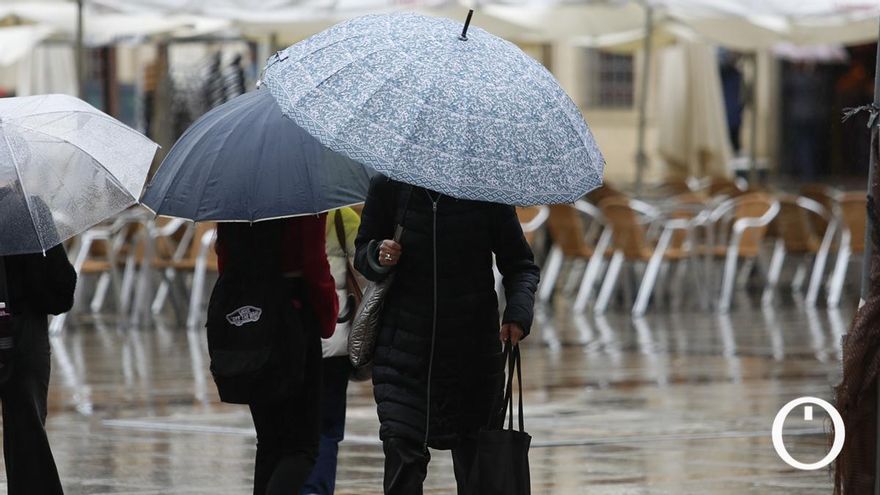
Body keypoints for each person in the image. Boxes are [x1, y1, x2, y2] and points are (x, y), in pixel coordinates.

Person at [354, 175, 540, 494]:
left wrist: (518, 314)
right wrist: (378, 254)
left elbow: (521, 265)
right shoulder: (390, 184)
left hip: (473, 362)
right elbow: (363, 252)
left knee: (476, 474)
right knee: (402, 459)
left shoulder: (486, 189)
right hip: (402, 358)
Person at [214, 216, 338, 495]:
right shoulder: (302, 201)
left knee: (270, 442)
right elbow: (314, 263)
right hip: (293, 319)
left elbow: (225, 259)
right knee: (301, 447)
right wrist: (327, 315)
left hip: (250, 320)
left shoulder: (233, 201)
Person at [1, 244, 76, 495]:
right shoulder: (27, 223)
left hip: (23, 333)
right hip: (23, 332)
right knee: (28, 437)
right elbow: (59, 293)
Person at [302, 207, 361, 495]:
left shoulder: (275, 214)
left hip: (289, 339)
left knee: (288, 429)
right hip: (334, 338)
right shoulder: (343, 217)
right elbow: (365, 268)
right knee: (327, 428)